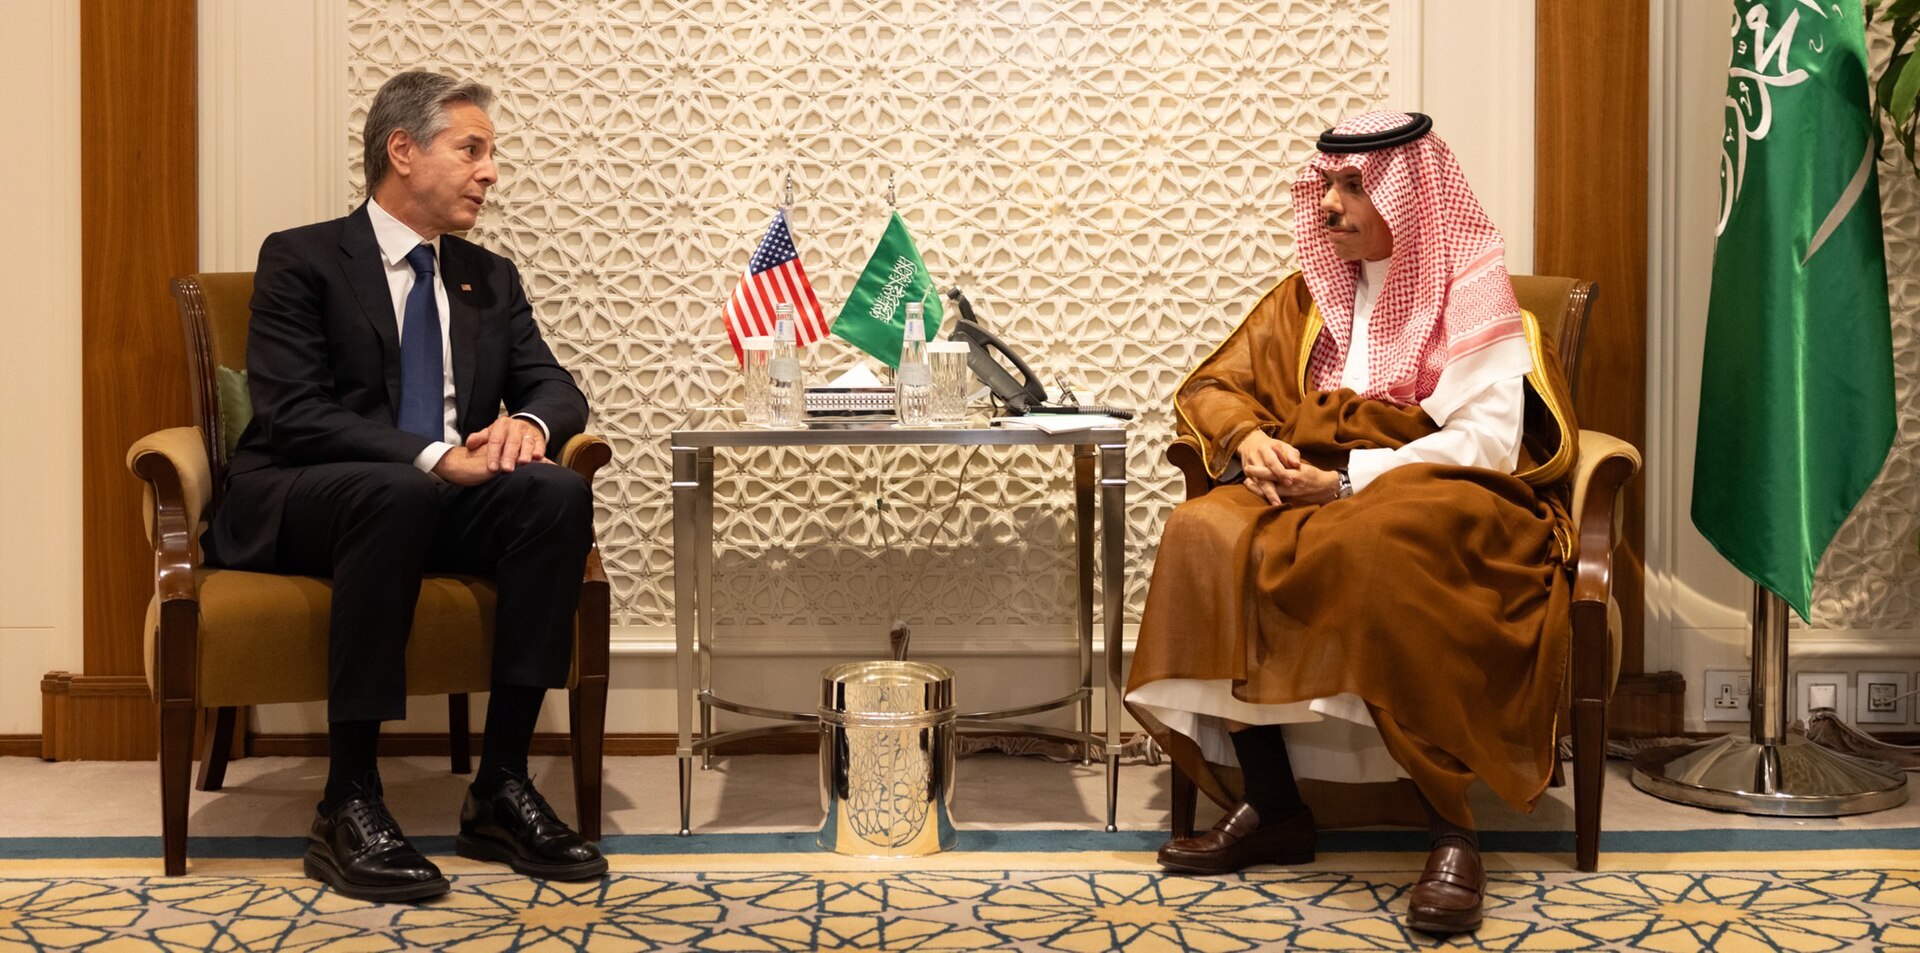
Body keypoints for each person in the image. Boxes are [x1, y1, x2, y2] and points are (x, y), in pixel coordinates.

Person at [1125, 111, 1577, 936]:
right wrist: (1253, 439)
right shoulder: (1306, 298)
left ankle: (1451, 829)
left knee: (1373, 546)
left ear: (1411, 194)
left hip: (1442, 493)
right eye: (1326, 185)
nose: (1328, 204)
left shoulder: (1473, 289)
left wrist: (1344, 481)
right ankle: (1273, 802)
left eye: (1353, 186)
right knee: (1204, 530)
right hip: (1317, 484)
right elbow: (1212, 388)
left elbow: (1485, 445)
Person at [204, 70, 606, 902]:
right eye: (472, 149)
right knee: (400, 491)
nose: (490, 172)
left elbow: (556, 385)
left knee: (554, 495)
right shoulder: (302, 257)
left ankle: (500, 785)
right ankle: (348, 798)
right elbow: (293, 412)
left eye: (490, 154)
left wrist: (526, 427)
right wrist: (431, 454)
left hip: (432, 497)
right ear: (403, 151)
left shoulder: (488, 275)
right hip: (307, 493)